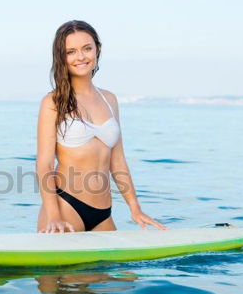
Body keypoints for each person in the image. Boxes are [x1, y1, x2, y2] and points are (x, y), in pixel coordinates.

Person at [36, 20, 167, 233]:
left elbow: (118, 161)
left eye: (87, 48)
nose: (80, 57)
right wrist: (53, 215)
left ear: (97, 49)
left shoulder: (109, 99)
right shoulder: (52, 102)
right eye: (71, 51)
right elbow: (44, 165)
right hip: (66, 206)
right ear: (61, 57)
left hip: (103, 212)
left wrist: (135, 208)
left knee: (117, 269)